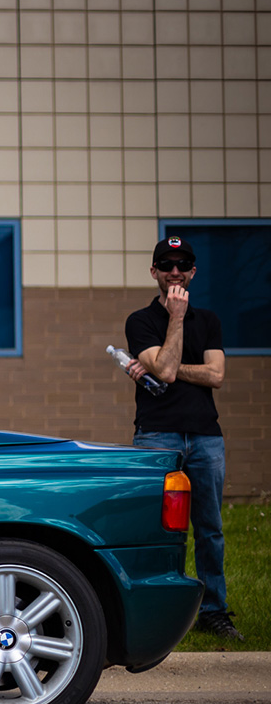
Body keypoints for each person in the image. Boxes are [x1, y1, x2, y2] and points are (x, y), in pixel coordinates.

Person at [123, 235, 240, 641]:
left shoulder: (209, 321)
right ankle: (154, 610)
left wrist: (157, 365)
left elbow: (216, 376)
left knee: (209, 528)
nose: (175, 272)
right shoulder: (140, 321)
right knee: (157, 528)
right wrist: (174, 319)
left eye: (182, 265)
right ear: (154, 272)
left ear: (192, 271)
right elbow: (169, 374)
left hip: (206, 437)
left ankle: (214, 612)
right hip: (157, 436)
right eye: (166, 266)